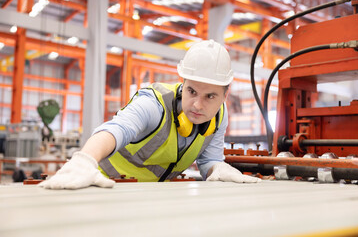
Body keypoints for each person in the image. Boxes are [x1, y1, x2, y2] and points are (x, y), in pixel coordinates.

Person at [39, 39, 261, 189]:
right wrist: (85, 161)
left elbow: (209, 160)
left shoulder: (219, 117)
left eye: (210, 96)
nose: (197, 105)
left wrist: (217, 167)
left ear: (225, 95)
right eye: (191, 91)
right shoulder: (154, 104)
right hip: (102, 186)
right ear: (183, 83)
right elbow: (116, 129)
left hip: (153, 197)